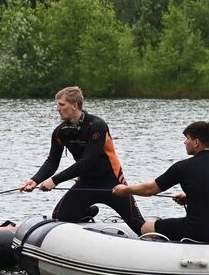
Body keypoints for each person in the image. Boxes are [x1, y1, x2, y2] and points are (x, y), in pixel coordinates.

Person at [21, 86, 144, 234]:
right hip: (86, 184)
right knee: (59, 217)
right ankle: (87, 212)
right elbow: (52, 162)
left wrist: (55, 180)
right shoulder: (60, 132)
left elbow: (88, 161)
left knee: (138, 226)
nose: (57, 109)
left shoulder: (97, 125)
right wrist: (35, 180)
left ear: (74, 105)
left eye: (61, 104)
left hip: (112, 183)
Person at [113, 121, 209, 243]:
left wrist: (125, 190)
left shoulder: (183, 166)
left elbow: (150, 189)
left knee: (147, 227)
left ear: (196, 143)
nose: (185, 142)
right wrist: (189, 198)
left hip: (197, 231)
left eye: (187, 139)